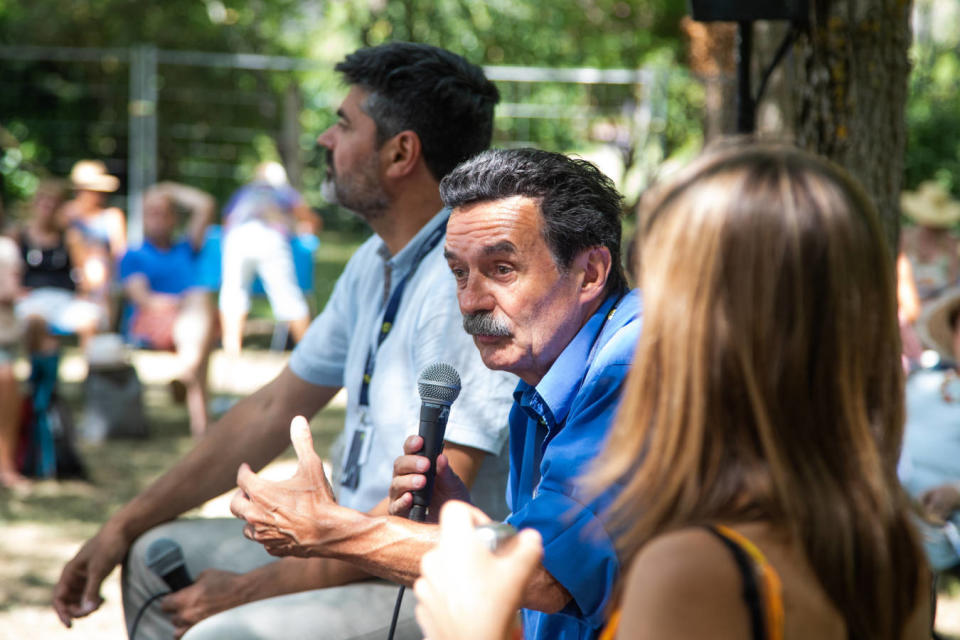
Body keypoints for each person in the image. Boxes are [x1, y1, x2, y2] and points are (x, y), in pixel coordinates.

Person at [53, 42, 511, 640]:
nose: (326, 138)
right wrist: (123, 522)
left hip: (422, 580)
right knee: (150, 552)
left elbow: (435, 515)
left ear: (401, 152)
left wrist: (246, 591)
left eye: (344, 123)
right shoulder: (377, 261)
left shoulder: (461, 283)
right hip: (346, 548)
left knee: (229, 632)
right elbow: (272, 407)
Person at [411, 142, 932, 640]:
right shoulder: (891, 545)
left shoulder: (698, 568)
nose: (641, 315)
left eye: (664, 286)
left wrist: (481, 629)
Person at [230, 147, 641, 640]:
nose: (470, 301)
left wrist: (330, 528)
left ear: (591, 273)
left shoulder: (629, 362)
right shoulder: (538, 381)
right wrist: (456, 516)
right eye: (459, 272)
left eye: (502, 269)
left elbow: (548, 574)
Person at [218, 161, 320, 356]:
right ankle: (308, 352)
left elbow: (226, 222)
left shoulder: (244, 192)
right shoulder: (284, 192)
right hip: (271, 240)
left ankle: (232, 349)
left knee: (233, 293)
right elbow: (310, 219)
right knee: (288, 296)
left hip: (236, 240)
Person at [12, 179, 105, 348]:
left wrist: (85, 293)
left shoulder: (70, 237)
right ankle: (39, 370)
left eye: (53, 203)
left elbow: (83, 272)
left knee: (89, 320)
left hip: (64, 299)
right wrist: (16, 291)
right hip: (32, 298)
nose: (47, 208)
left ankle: (91, 370)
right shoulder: (20, 235)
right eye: (44, 202)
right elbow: (11, 270)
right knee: (35, 320)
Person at [61, 159, 127, 320]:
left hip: (105, 273)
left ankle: (102, 321)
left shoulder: (112, 216)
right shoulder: (66, 214)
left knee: (97, 267)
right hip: (69, 272)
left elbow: (120, 252)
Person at [0, 235, 25, 487]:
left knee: (6, 376)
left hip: (2, 341)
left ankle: (6, 466)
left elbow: (10, 292)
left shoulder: (6, 248)